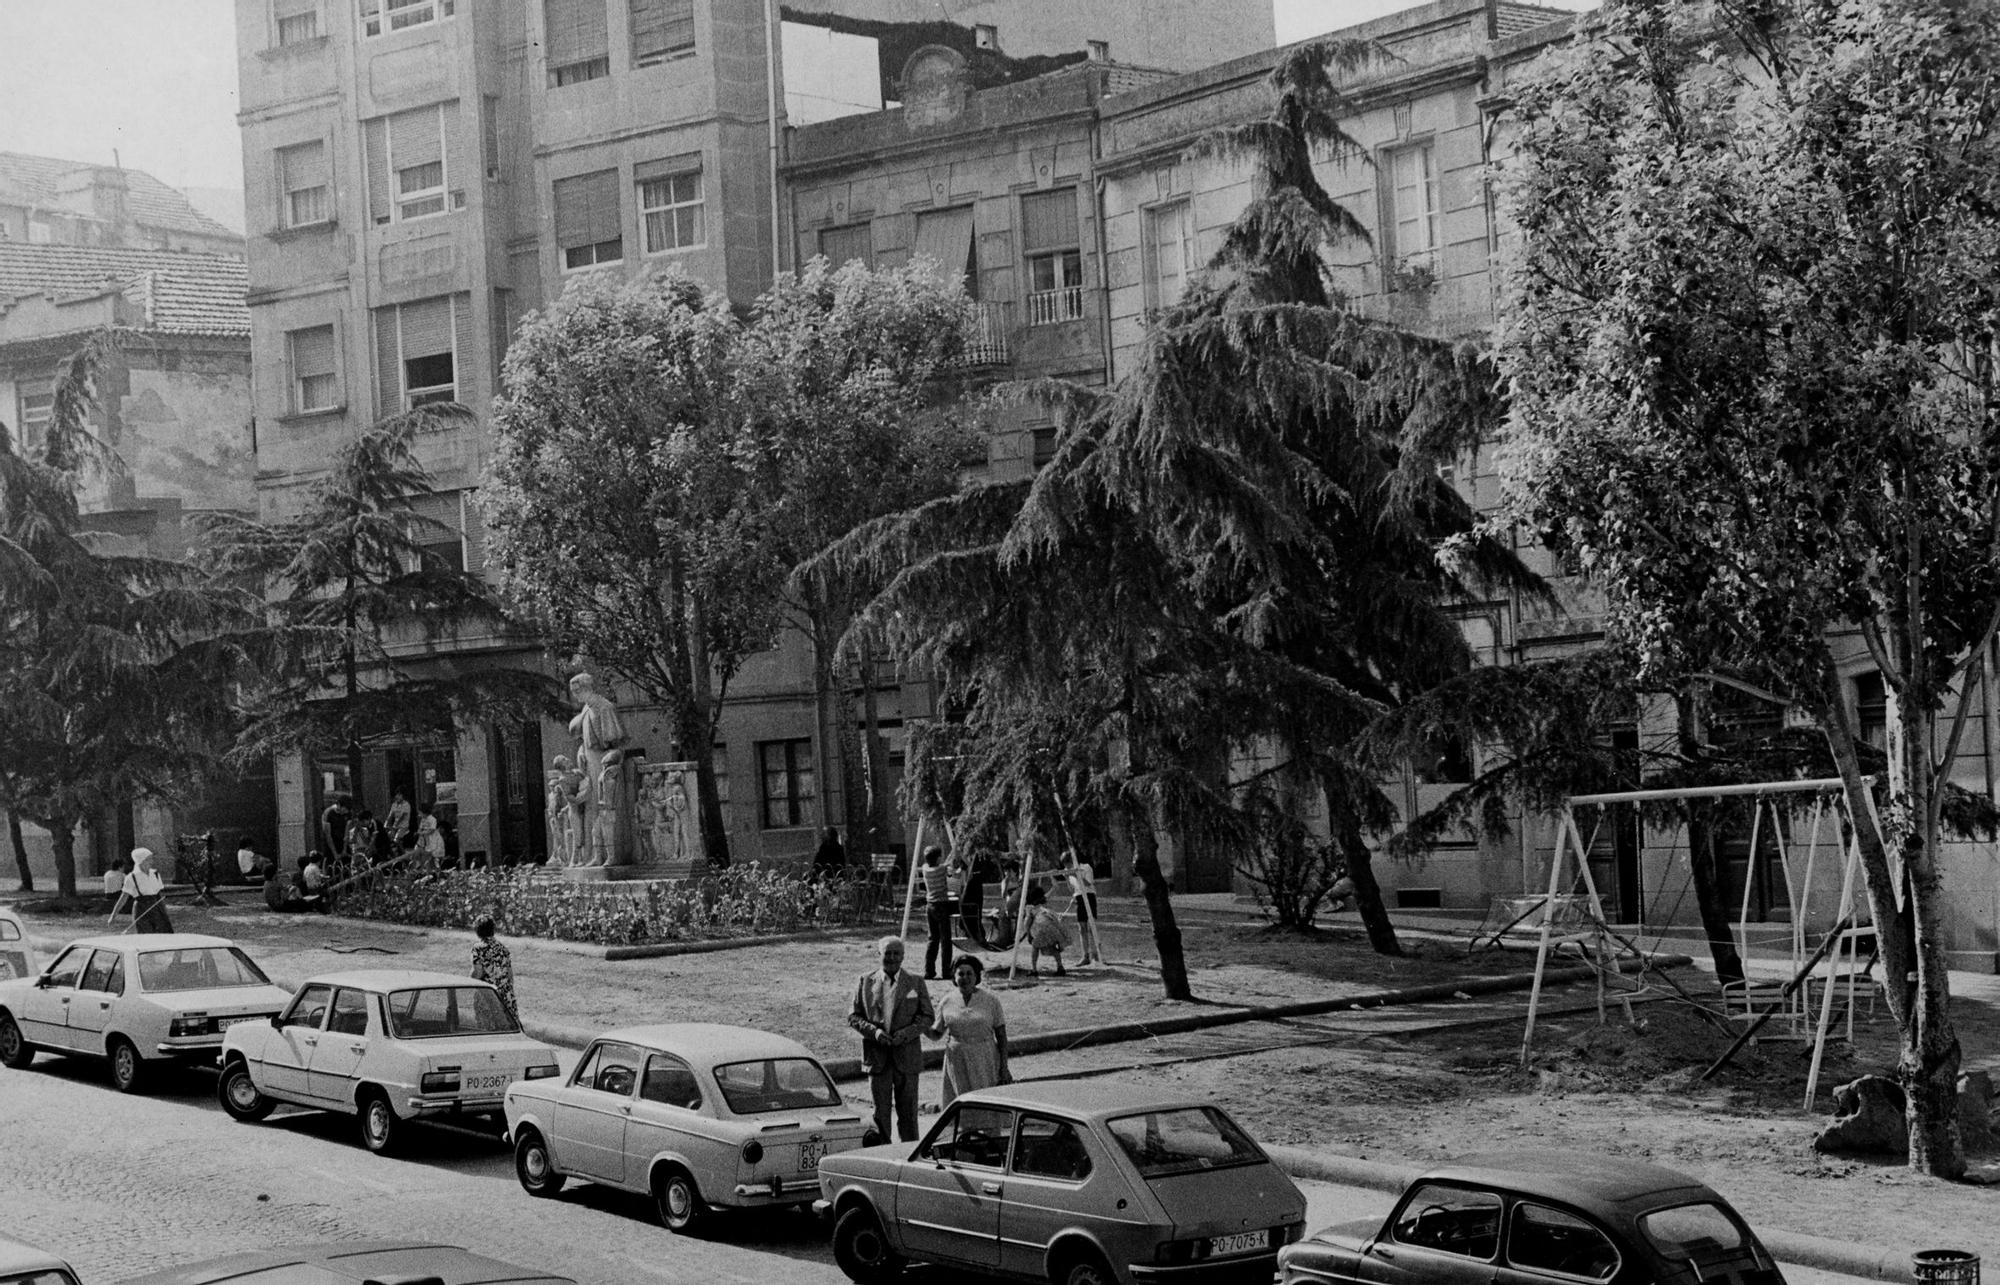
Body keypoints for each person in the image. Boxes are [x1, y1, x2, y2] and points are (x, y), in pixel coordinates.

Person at [848, 936, 933, 1143]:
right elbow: (853, 1016)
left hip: (907, 1058)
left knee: (909, 1115)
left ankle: (910, 1155)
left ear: (903, 956)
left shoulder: (915, 981)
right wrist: (875, 1033)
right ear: (880, 955)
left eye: (896, 953)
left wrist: (907, 1033)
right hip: (878, 1059)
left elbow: (927, 1016)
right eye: (888, 953)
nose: (892, 958)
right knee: (880, 1115)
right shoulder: (865, 981)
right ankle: (884, 1155)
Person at [927, 956, 1008, 1107]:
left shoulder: (991, 1000)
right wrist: (921, 1025)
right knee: (961, 1105)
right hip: (957, 1059)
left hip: (984, 1058)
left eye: (969, 973)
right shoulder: (947, 1001)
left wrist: (1004, 1067)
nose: (965, 978)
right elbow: (936, 1033)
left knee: (986, 1104)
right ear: (954, 977)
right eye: (960, 974)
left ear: (976, 976)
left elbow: (1002, 1037)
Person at [470, 915, 518, 1023]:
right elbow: (510, 975)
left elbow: (477, 972)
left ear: (478, 931)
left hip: (488, 993)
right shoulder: (503, 948)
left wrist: (468, 982)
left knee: (488, 1029)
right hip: (506, 994)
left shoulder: (478, 948)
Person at [919, 846, 954, 980]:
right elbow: (949, 862)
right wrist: (954, 848)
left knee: (933, 939)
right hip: (941, 905)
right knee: (946, 940)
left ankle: (929, 971)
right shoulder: (941, 869)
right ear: (938, 858)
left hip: (930, 906)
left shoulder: (925, 868)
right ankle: (946, 971)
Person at [1063, 850, 1104, 965]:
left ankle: (1096, 954)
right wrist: (1067, 878)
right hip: (1079, 897)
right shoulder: (1069, 871)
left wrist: (1075, 874)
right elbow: (1072, 890)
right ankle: (1085, 955)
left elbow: (1088, 883)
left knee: (1092, 926)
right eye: (1066, 865)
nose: (1067, 866)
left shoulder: (1085, 867)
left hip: (1089, 896)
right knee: (1081, 927)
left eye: (1068, 863)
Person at [121, 847, 174, 933]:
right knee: (146, 935)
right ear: (141, 861)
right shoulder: (131, 877)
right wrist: (113, 915)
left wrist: (164, 911)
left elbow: (159, 895)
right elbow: (123, 897)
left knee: (162, 934)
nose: (151, 862)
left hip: (157, 907)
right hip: (141, 908)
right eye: (148, 859)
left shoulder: (155, 874)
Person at [1022, 883, 1069, 977]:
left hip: (1041, 926)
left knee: (1035, 946)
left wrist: (1028, 935)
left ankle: (1034, 969)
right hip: (1052, 927)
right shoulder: (1044, 904)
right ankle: (1060, 967)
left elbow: (1028, 921)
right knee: (1052, 946)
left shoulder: (1030, 908)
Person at [959, 848, 997, 946]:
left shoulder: (979, 857)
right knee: (968, 911)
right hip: (969, 887)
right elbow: (964, 873)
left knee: (975, 911)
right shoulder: (967, 859)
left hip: (975, 886)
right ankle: (973, 933)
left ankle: (978, 935)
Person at [319, 795, 351, 869]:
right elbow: (328, 835)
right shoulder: (329, 813)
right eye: (344, 809)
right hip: (331, 843)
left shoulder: (347, 813)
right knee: (332, 866)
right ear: (339, 805)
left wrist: (344, 849)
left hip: (342, 841)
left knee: (346, 866)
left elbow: (346, 833)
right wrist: (335, 854)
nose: (345, 812)